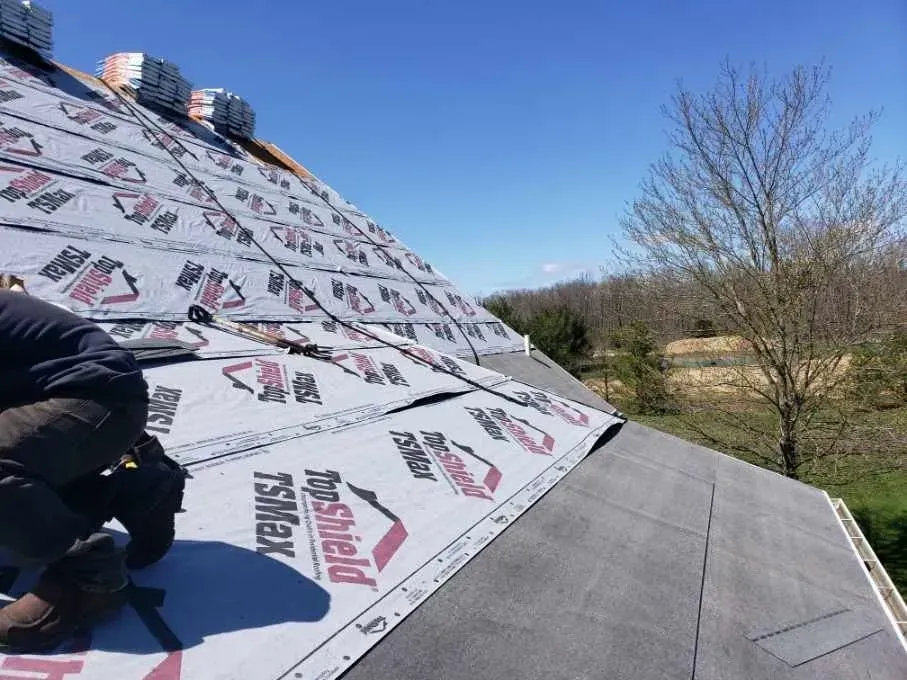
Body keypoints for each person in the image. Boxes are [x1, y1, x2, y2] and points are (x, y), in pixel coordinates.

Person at [0, 275, 183, 652]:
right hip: (87, 401)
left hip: (97, 398)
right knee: (19, 500)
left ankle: (88, 581)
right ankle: (136, 489)